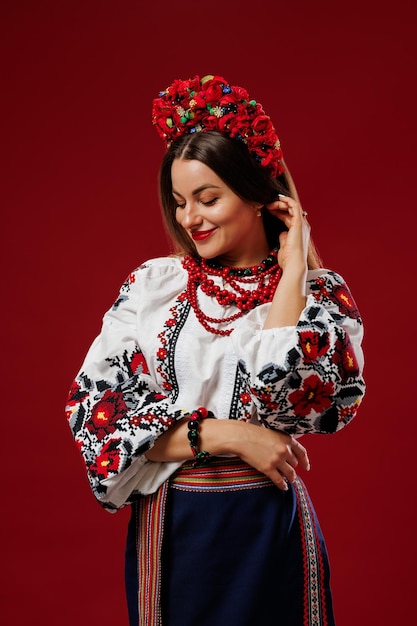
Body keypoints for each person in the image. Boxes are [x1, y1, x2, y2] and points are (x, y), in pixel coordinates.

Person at [65, 74, 366, 626]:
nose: (189, 219)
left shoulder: (319, 299)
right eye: (179, 202)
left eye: (208, 198)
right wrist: (225, 434)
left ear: (257, 196)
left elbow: (277, 406)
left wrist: (294, 270)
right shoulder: (154, 287)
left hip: (268, 528)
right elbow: (97, 419)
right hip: (176, 528)